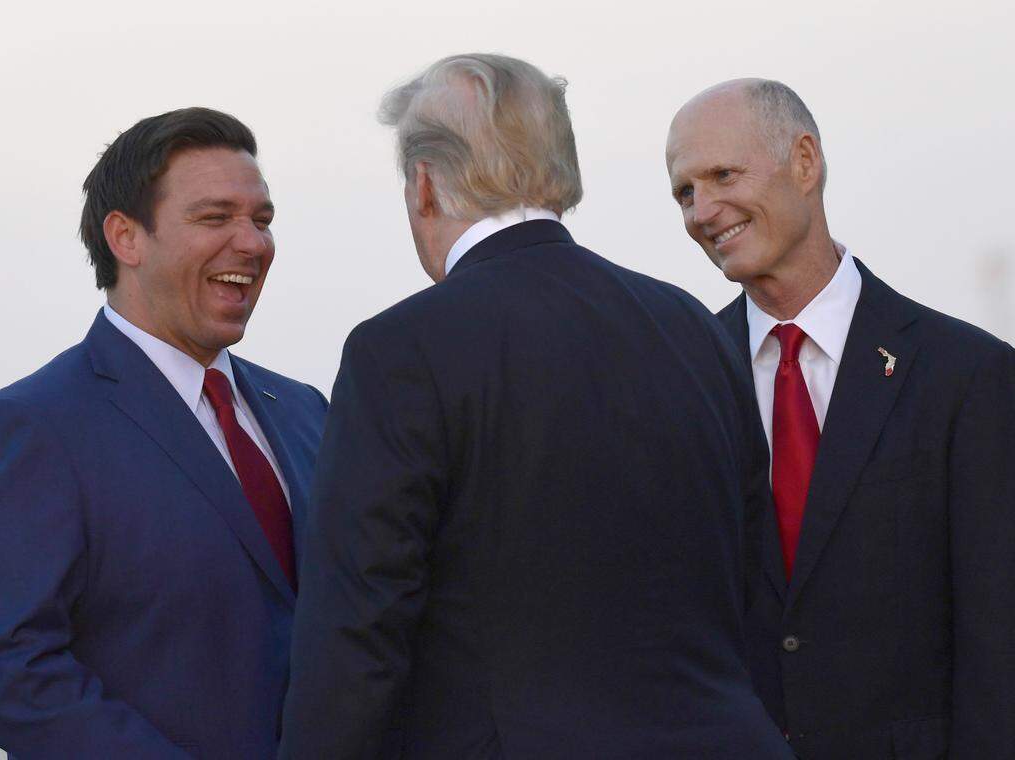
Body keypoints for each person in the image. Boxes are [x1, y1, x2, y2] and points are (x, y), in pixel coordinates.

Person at [278, 54, 793, 760]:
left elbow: (357, 632)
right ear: (562, 169)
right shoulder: (696, 331)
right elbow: (750, 584)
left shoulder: (401, 352)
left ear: (423, 185)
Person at [665, 79, 1015, 759]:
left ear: (806, 161)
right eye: (684, 192)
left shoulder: (965, 376)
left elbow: (1012, 650)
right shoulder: (677, 382)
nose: (704, 210)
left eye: (723, 175)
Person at [0, 107, 327, 757]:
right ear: (126, 237)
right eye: (215, 217)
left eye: (261, 221)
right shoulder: (31, 428)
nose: (253, 243)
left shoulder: (303, 409)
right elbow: (5, 671)